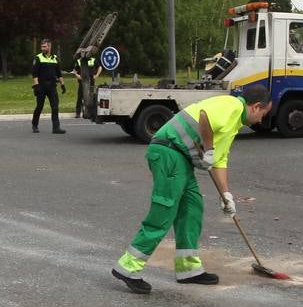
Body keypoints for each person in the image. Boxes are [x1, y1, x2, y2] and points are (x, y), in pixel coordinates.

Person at [112, 87, 273, 293]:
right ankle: (128, 266)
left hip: (180, 159)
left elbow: (219, 162)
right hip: (169, 152)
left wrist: (227, 196)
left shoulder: (234, 124)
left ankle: (188, 268)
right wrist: (209, 148)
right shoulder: (232, 105)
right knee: (164, 210)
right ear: (256, 106)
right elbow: (205, 117)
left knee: (192, 208)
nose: (261, 120)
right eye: (263, 114)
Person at [31, 38, 66, 134]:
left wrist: (62, 84)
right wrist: (36, 86)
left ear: (50, 46)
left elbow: (59, 74)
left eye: (45, 46)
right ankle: (34, 125)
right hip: (41, 86)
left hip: (52, 86)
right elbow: (34, 74)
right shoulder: (38, 58)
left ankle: (56, 128)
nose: (42, 48)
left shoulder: (55, 58)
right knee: (39, 106)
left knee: (55, 107)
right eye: (42, 46)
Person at [72, 49, 101, 119]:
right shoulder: (79, 60)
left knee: (91, 98)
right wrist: (78, 76)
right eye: (82, 53)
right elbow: (75, 70)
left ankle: (90, 113)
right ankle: (78, 113)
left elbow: (99, 67)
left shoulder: (93, 60)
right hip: (82, 83)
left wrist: (96, 75)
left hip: (91, 82)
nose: (83, 54)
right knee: (80, 97)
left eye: (85, 53)